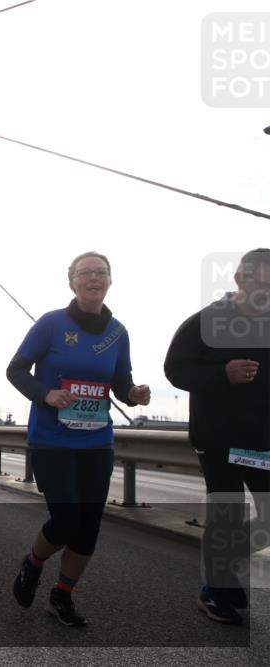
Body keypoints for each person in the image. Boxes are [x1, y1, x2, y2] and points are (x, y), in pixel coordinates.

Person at [7, 251, 150, 626]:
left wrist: (133, 393)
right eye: (85, 272)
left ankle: (62, 595)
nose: (93, 278)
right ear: (71, 281)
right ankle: (33, 562)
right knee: (66, 518)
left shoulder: (118, 332)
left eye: (100, 272)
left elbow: (120, 382)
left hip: (96, 441)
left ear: (110, 280)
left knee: (89, 526)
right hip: (52, 438)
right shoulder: (51, 324)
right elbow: (16, 369)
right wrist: (46, 394)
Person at [164, 248, 270, 625]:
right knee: (227, 514)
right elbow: (174, 370)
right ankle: (216, 591)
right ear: (241, 279)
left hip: (262, 441)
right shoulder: (206, 321)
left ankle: (221, 571)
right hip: (218, 437)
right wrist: (221, 374)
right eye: (263, 282)